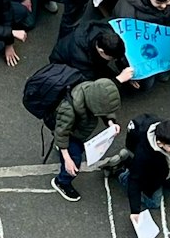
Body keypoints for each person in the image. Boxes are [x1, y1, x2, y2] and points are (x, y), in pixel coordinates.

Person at [49, 73, 123, 201]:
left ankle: (62, 151)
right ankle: (62, 182)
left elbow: (104, 109)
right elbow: (61, 133)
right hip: (71, 134)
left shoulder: (92, 91)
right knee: (74, 162)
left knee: (73, 151)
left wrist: (111, 123)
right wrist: (67, 159)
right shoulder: (68, 110)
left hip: (77, 130)